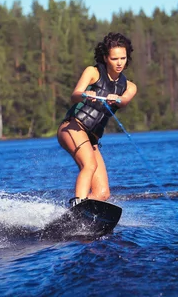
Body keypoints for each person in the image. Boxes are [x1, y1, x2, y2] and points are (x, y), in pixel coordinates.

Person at [57, 32, 137, 208]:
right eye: (114, 58)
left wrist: (116, 99)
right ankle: (78, 205)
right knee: (89, 165)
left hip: (91, 139)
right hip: (72, 127)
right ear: (105, 57)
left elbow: (124, 100)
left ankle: (80, 212)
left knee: (102, 193)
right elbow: (75, 94)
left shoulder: (129, 86)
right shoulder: (92, 72)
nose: (119, 63)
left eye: (123, 58)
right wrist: (86, 95)